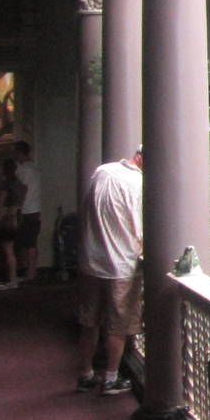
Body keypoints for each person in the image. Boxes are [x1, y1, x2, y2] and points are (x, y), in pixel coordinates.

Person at [76, 148, 143, 395]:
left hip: (91, 261)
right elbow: (140, 230)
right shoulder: (138, 184)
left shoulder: (102, 171)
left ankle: (85, 374)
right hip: (121, 265)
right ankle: (111, 378)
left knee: (90, 322)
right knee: (118, 324)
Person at [11, 140, 42, 284]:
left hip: (27, 210)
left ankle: (30, 273)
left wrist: (18, 207)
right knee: (30, 241)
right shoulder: (33, 168)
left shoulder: (25, 170)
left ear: (19, 152)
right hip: (34, 209)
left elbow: (22, 190)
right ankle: (31, 271)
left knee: (28, 243)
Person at [0, 159, 26, 289]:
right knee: (14, 250)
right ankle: (15, 277)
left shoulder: (5, 184)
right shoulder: (20, 184)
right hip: (17, 217)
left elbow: (0, 204)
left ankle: (12, 280)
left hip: (7, 218)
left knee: (7, 250)